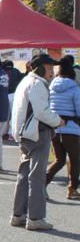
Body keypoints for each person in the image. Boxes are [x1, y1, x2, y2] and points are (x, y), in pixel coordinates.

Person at [11, 53, 63, 230]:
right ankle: (35, 217)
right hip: (37, 134)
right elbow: (42, 112)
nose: (52, 72)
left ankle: (18, 214)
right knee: (37, 177)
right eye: (49, 68)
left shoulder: (26, 81)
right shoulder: (38, 84)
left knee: (24, 176)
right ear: (40, 69)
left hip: (25, 134)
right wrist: (58, 121)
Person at [46, 56, 80, 200]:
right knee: (75, 159)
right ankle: (72, 189)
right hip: (71, 128)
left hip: (55, 127)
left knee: (59, 160)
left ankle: (41, 184)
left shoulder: (51, 87)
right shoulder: (75, 88)